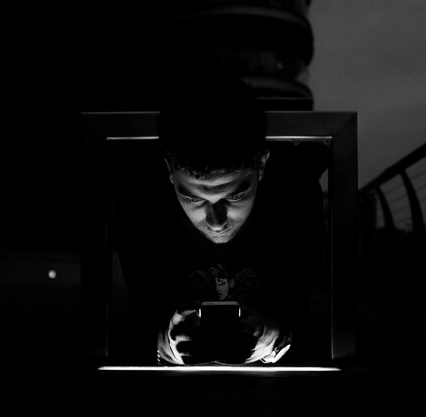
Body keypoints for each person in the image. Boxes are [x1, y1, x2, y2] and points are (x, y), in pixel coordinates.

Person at [111, 72, 326, 365]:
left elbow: (308, 316)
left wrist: (272, 338)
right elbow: (131, 322)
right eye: (193, 198)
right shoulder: (139, 201)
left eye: (235, 196)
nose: (216, 221)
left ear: (262, 164)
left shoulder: (295, 193)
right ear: (168, 170)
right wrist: (167, 343)